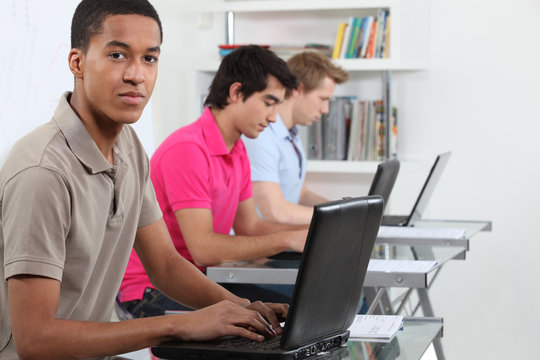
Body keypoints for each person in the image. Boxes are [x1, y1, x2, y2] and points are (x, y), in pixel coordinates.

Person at [0, 2, 288, 359]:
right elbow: (36, 340)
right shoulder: (42, 172)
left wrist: (244, 308)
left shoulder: (128, 147)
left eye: (149, 58)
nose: (137, 75)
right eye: (118, 55)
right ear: (77, 63)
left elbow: (165, 264)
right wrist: (180, 323)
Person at [120, 45, 308, 316]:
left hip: (199, 281)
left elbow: (250, 226)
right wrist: (288, 240)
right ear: (236, 92)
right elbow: (204, 250)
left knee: (294, 312)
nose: (273, 117)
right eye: (268, 103)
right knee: (269, 327)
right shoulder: (188, 149)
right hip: (150, 289)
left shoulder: (238, 149)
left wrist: (309, 232)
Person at [243, 51, 349, 225]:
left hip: (281, 238)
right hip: (260, 246)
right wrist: (340, 218)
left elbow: (299, 193)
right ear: (298, 89)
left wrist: (344, 209)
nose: (325, 110)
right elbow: (275, 212)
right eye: (322, 99)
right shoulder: (261, 137)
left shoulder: (292, 135)